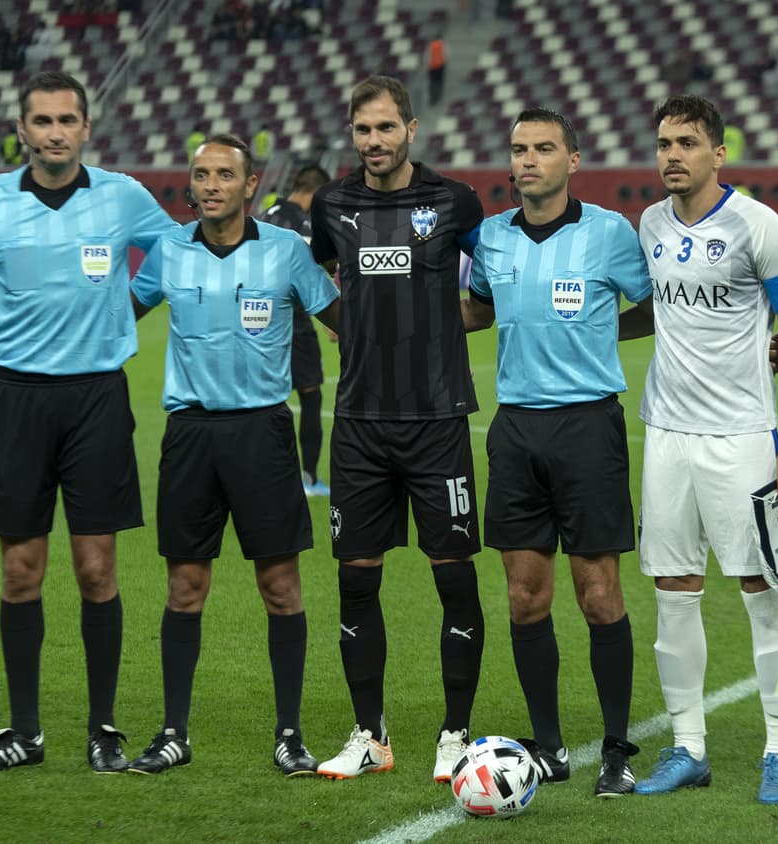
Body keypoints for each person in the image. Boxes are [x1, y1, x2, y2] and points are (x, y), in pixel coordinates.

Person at [0, 70, 178, 775]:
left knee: (97, 567)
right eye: (40, 120)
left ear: (85, 126)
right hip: (13, 400)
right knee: (20, 570)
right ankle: (24, 731)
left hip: (97, 400)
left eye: (65, 119)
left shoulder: (122, 195)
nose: (53, 132)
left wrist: (123, 309)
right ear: (22, 128)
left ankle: (103, 728)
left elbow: (175, 254)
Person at [616, 95, 778, 805]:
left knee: (760, 591)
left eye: (687, 143)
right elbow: (659, 307)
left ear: (718, 153)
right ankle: (688, 748)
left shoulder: (759, 226)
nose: (672, 155)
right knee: (674, 589)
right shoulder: (650, 223)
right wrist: (591, 329)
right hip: (667, 434)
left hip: (743, 437)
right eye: (664, 143)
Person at [127, 134, 340, 777]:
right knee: (185, 586)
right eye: (200, 174)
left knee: (280, 588)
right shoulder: (168, 253)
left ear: (251, 186)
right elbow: (115, 319)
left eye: (225, 174)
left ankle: (289, 733)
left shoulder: (285, 253)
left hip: (262, 435)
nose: (211, 184)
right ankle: (173, 732)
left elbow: (345, 322)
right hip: (190, 435)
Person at [463, 108, 652, 798]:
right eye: (519, 149)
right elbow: (477, 308)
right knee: (524, 596)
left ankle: (616, 752)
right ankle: (547, 746)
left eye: (544, 148)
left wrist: (604, 334)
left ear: (574, 160)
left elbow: (657, 304)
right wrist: (398, 314)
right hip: (515, 428)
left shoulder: (608, 234)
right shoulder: (490, 238)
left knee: (599, 594)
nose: (529, 160)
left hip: (587, 427)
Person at [308, 75, 486, 783]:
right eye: (363, 130)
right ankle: (369, 735)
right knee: (356, 580)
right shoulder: (334, 204)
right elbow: (316, 271)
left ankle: (455, 733)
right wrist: (344, 326)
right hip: (358, 422)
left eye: (386, 128)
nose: (374, 142)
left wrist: (449, 322)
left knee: (456, 581)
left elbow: (496, 277)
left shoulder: (452, 202)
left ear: (411, 129)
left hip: (438, 420)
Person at [263, 163, 333, 496]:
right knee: (311, 395)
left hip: (256, 320)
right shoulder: (302, 226)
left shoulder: (263, 215)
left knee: (262, 400)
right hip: (292, 319)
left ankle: (261, 473)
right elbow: (319, 269)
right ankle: (308, 478)